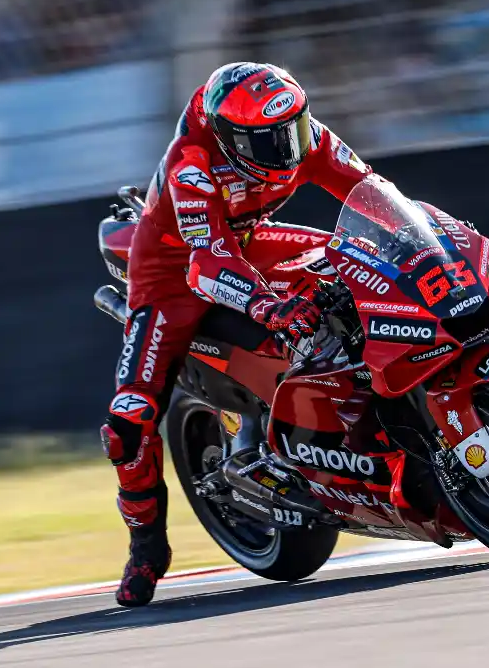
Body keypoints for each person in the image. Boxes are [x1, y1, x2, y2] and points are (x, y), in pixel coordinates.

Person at [103, 61, 373, 607]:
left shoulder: (303, 134)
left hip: (249, 239)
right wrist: (268, 306)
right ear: (228, 138)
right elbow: (207, 265)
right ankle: (146, 550)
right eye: (269, 140)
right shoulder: (192, 169)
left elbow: (370, 190)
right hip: (171, 275)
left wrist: (433, 240)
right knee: (127, 423)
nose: (289, 148)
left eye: (293, 129)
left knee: (362, 260)